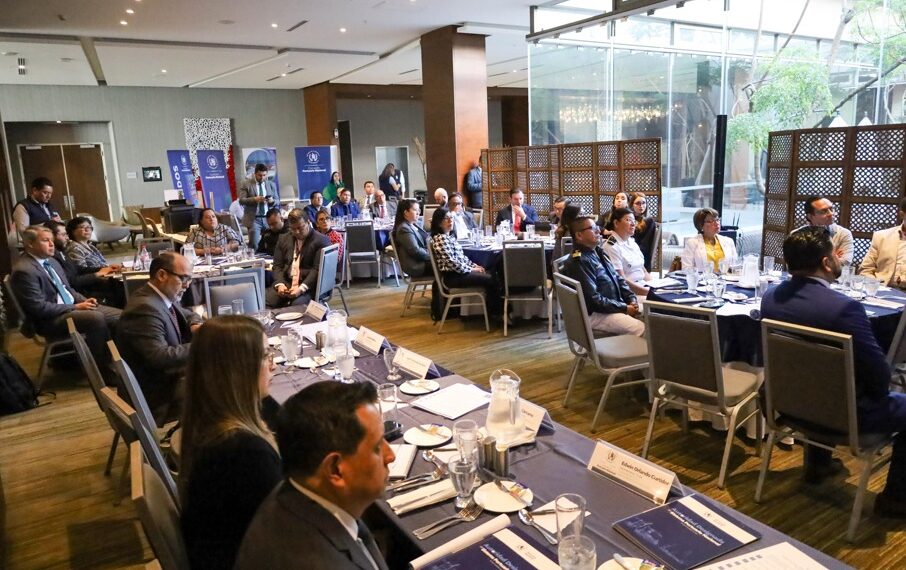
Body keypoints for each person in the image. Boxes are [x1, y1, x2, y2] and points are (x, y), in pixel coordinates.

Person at [761, 227, 906, 515]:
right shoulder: (845, 309)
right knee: (845, 389)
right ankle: (896, 500)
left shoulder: (771, 296)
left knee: (818, 381)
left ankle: (818, 466)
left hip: (785, 404)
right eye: (835, 254)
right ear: (827, 263)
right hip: (842, 415)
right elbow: (878, 377)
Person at [234, 382, 394, 570]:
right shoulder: (316, 561)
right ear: (335, 469)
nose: (390, 455)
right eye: (377, 447)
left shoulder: (294, 492)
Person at [180, 315, 282, 570]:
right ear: (238, 370)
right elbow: (288, 530)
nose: (273, 365)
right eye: (265, 355)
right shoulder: (245, 453)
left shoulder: (209, 421)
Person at [10, 226, 121, 375]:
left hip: (70, 308)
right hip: (50, 320)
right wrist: (76, 307)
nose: (52, 244)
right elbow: (38, 308)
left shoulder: (51, 261)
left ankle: (119, 362)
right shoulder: (24, 271)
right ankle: (102, 372)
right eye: (45, 240)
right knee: (95, 318)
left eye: (51, 240)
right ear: (30, 244)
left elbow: (67, 289)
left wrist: (85, 300)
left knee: (122, 316)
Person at [116, 252, 201, 422]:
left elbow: (186, 313)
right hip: (160, 396)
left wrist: (195, 323)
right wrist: (206, 342)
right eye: (184, 279)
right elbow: (159, 357)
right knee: (228, 385)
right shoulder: (144, 308)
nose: (187, 285)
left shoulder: (155, 296)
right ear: (162, 275)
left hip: (166, 380)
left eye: (190, 279)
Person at [562, 215, 643, 336]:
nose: (598, 231)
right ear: (579, 235)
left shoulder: (598, 251)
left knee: (653, 312)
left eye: (597, 227)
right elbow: (593, 300)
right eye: (592, 228)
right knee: (643, 329)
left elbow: (618, 278)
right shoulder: (580, 261)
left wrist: (631, 299)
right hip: (596, 313)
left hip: (613, 303)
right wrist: (624, 308)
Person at [430, 207, 498, 312]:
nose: (450, 220)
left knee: (491, 272)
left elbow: (461, 258)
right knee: (491, 279)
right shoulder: (440, 239)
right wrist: (471, 269)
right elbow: (452, 263)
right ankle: (495, 312)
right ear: (439, 223)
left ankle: (493, 310)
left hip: (459, 273)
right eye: (446, 218)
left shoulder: (448, 236)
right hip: (453, 277)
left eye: (451, 218)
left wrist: (474, 265)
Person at [268, 208, 330, 308]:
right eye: (293, 229)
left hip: (310, 286)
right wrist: (280, 284)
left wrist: (301, 288)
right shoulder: (283, 239)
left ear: (308, 222)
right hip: (286, 283)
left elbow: (317, 270)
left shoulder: (321, 240)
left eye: (300, 228)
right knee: (266, 302)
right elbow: (277, 265)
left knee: (296, 307)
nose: (296, 232)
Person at [44, 220, 108, 298]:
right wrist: (97, 275)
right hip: (80, 293)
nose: (67, 238)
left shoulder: (60, 252)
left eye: (66, 234)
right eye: (64, 234)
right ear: (51, 237)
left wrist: (103, 269)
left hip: (83, 288)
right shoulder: (52, 257)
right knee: (115, 288)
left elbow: (78, 268)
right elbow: (70, 282)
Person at [604, 208, 651, 296]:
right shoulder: (611, 247)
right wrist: (648, 293)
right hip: (629, 293)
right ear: (616, 223)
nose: (633, 224)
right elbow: (622, 280)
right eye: (628, 220)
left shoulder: (632, 242)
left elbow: (643, 271)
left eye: (634, 221)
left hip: (642, 285)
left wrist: (656, 286)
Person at [860, 198, 906, 288]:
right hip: (880, 290)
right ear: (902, 215)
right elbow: (865, 269)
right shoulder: (881, 236)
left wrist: (901, 280)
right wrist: (876, 286)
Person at [794, 195, 854, 264]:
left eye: (831, 209)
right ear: (810, 216)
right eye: (824, 211)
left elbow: (845, 262)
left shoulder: (844, 233)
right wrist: (833, 257)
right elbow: (794, 264)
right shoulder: (796, 235)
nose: (831, 214)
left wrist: (811, 260)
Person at [681, 207, 738, 272]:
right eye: (710, 221)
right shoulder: (692, 243)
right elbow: (686, 269)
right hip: (703, 278)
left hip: (725, 277)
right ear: (701, 226)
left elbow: (734, 266)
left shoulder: (729, 241)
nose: (716, 223)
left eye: (717, 220)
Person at [238, 163, 279, 250]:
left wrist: (272, 201)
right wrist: (254, 199)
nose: (262, 177)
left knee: (272, 244)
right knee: (255, 245)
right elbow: (241, 200)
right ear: (255, 174)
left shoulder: (271, 184)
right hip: (254, 219)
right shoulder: (246, 184)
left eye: (264, 175)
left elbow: (277, 200)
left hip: (268, 218)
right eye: (260, 175)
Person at [393, 199, 430, 278]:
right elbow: (415, 250)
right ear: (406, 213)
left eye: (418, 210)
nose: (418, 213)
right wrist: (432, 255)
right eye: (415, 210)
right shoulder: (404, 228)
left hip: (422, 260)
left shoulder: (413, 224)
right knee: (447, 265)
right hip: (416, 265)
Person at [629, 192, 658, 271]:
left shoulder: (649, 221)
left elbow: (645, 246)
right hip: (630, 252)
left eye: (643, 203)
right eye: (638, 203)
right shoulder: (629, 218)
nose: (641, 206)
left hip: (640, 257)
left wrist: (629, 252)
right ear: (632, 205)